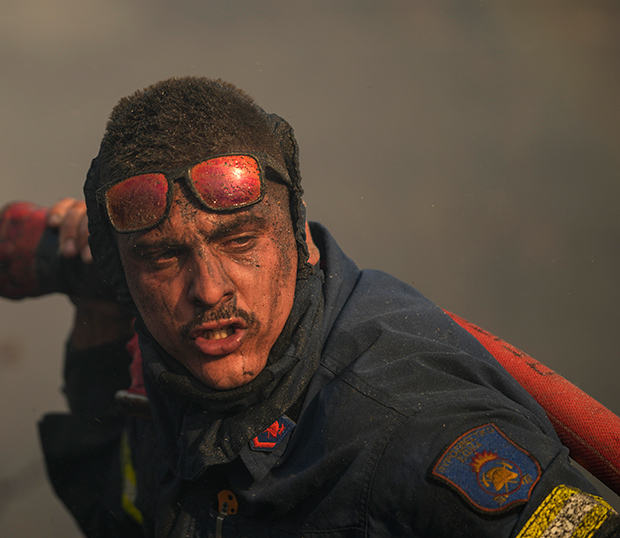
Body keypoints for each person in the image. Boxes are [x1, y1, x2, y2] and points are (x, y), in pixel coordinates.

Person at [38, 77, 619, 537]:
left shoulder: (411, 426)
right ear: (123, 277)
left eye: (239, 241)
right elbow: (122, 512)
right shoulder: (179, 372)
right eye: (164, 258)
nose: (209, 290)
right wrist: (97, 317)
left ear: (298, 237)